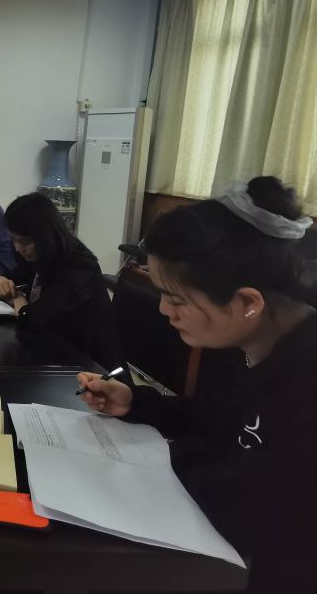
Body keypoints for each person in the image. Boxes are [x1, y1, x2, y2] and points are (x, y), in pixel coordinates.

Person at [77, 177, 317, 593]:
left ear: (248, 302)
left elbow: (249, 507)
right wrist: (136, 404)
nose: (163, 310)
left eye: (177, 298)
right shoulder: (247, 345)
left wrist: (166, 457)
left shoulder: (305, 381)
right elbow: (218, 417)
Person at [0, 192, 122, 369]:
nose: (18, 248)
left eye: (24, 242)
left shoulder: (79, 266)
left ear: (45, 236)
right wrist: (2, 278)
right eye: (14, 240)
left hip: (92, 365)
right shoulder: (46, 253)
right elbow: (22, 272)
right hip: (54, 349)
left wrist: (19, 300)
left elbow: (33, 320)